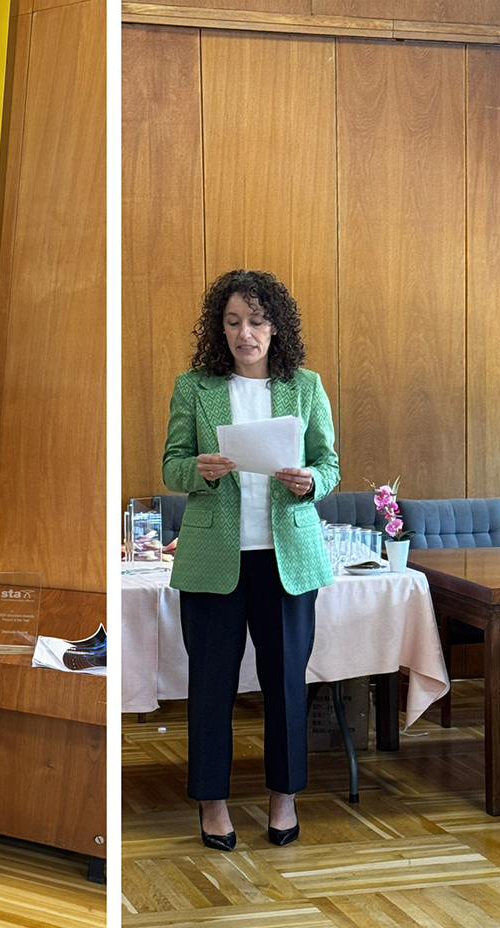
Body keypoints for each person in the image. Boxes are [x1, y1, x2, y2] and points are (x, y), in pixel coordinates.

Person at [161, 269, 339, 850]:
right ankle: (213, 805)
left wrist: (310, 480)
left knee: (286, 682)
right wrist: (199, 471)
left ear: (276, 328)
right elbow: (171, 465)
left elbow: (329, 464)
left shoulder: (306, 387)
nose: (246, 334)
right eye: (234, 322)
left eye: (257, 322)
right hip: (216, 558)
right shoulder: (195, 386)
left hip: (286, 559)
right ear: (221, 327)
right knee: (210, 685)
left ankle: (283, 798)